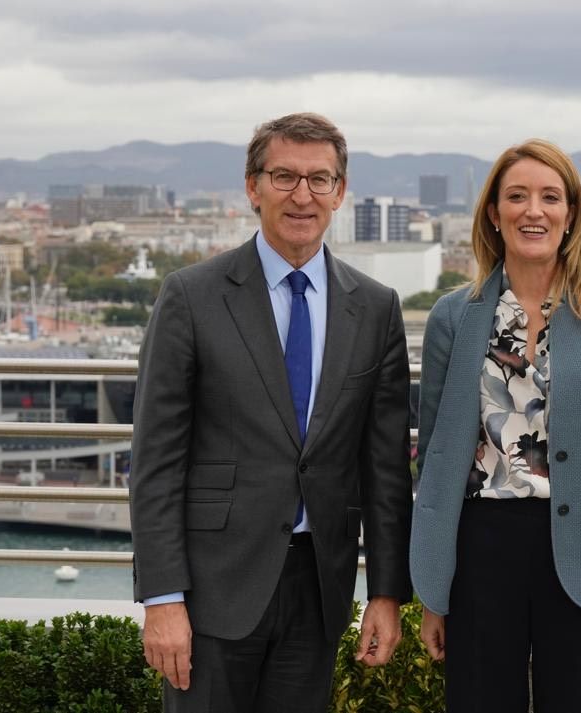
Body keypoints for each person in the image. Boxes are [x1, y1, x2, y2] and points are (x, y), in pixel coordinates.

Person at [130, 112, 413, 713]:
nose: (302, 195)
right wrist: (162, 598)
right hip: (211, 591)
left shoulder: (377, 308)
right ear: (252, 186)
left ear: (340, 191)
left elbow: (385, 470)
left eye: (319, 179)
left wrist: (386, 594)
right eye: (284, 176)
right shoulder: (191, 296)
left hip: (319, 589)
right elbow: (156, 460)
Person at [409, 139, 581, 713]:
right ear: (494, 215)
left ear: (570, 214)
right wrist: (433, 586)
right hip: (481, 550)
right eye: (516, 196)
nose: (534, 210)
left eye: (551, 197)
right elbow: (439, 457)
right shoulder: (454, 315)